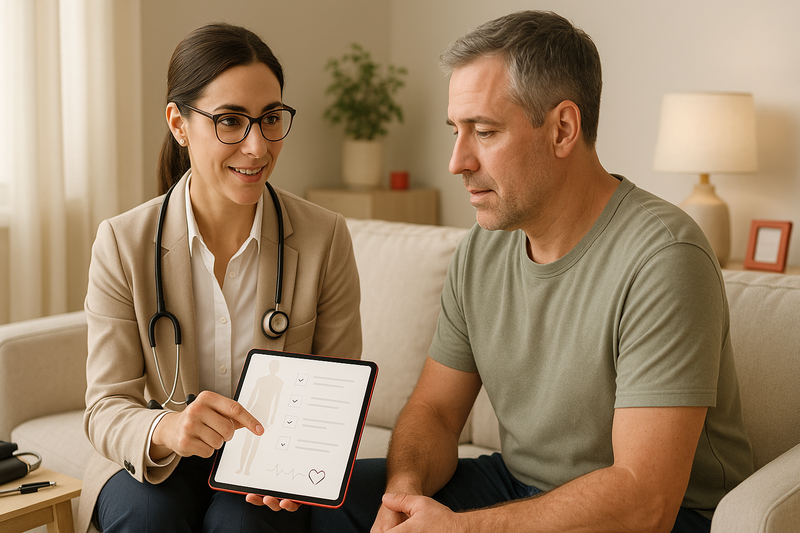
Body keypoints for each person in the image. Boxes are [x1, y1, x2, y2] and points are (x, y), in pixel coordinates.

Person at [314, 10, 753, 533]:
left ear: (562, 129)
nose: (457, 161)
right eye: (456, 131)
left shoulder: (664, 258)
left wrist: (461, 529)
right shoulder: (482, 248)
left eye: (484, 132)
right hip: (516, 484)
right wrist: (404, 494)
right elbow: (435, 411)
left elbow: (644, 499)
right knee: (324, 504)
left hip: (662, 516)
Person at [77, 23, 361, 533]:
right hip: (160, 451)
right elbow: (106, 406)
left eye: (270, 118)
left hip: (269, 463)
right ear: (179, 124)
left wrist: (298, 460)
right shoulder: (122, 243)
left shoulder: (325, 238)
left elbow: (337, 395)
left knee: (242, 525)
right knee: (147, 518)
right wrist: (169, 427)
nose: (257, 147)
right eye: (230, 121)